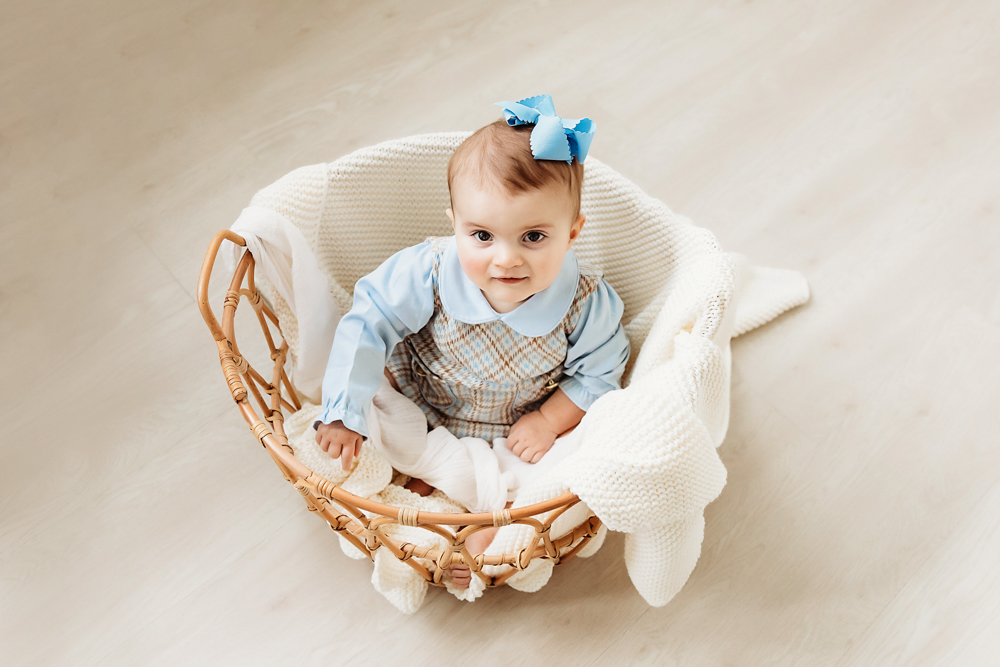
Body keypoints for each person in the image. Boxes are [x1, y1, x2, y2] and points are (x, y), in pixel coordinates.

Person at [314, 95, 630, 587]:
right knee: (378, 411)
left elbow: (599, 373)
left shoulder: (586, 302)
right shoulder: (431, 270)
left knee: (547, 477)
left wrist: (549, 420)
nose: (505, 259)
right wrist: (342, 409)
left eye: (533, 237)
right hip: (423, 401)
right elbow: (369, 320)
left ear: (572, 234)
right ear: (454, 224)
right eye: (482, 235)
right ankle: (413, 494)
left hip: (516, 426)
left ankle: (483, 536)